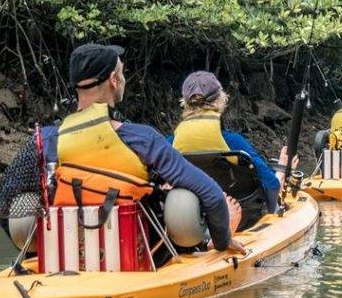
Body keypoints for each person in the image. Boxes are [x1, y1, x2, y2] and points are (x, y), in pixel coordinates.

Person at [36, 44, 244, 254]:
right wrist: (222, 241)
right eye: (122, 73)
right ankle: (214, 238)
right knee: (179, 198)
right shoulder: (141, 138)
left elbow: (6, 205)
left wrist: (34, 254)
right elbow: (212, 195)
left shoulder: (45, 139)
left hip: (68, 254)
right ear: (113, 80)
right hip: (142, 254)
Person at [168, 71, 284, 213]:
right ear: (220, 100)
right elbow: (272, 185)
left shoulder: (170, 144)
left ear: (185, 103)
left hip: (193, 220)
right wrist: (272, 209)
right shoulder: (233, 142)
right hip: (242, 219)